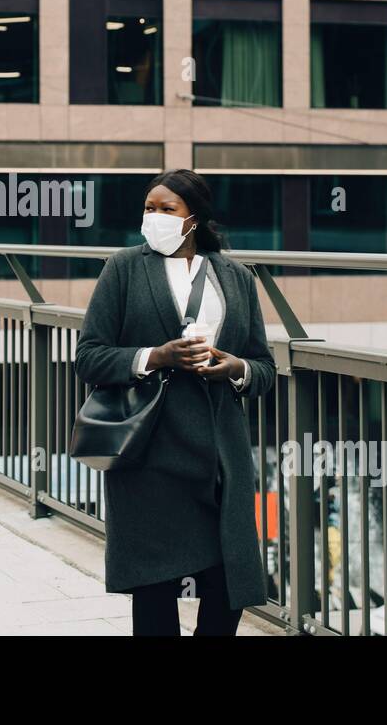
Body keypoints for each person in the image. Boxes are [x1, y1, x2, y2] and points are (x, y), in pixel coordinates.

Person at [74, 169, 276, 636]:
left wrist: (235, 368)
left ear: (195, 219)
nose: (155, 217)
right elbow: (89, 356)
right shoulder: (123, 267)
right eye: (149, 208)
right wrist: (156, 356)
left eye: (168, 209)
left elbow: (263, 366)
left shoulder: (237, 278)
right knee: (155, 597)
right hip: (150, 455)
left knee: (228, 589)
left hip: (221, 456)